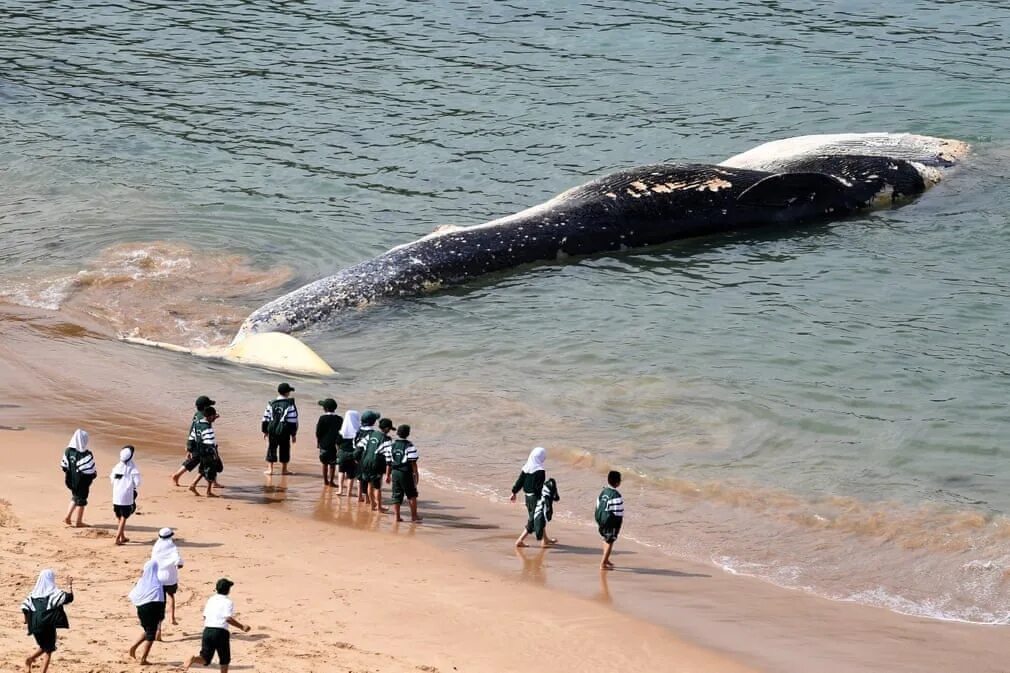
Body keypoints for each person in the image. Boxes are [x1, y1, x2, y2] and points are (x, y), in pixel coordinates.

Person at [184, 578, 252, 673]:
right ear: (228, 590)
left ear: (216, 589)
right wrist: (242, 626)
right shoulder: (228, 602)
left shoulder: (211, 600)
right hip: (220, 632)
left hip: (207, 631)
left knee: (205, 658)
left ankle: (194, 659)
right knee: (224, 659)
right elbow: (228, 618)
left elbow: (205, 616)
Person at [21, 569, 74, 673]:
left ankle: (29, 660)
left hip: (35, 625)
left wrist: (26, 620)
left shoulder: (32, 595)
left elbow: (24, 607)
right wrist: (69, 586)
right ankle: (34, 664)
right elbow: (69, 598)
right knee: (49, 650)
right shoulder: (53, 594)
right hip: (47, 624)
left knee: (44, 646)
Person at [509, 447, 556, 548]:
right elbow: (539, 488)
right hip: (536, 498)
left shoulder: (526, 468)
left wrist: (514, 492)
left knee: (540, 517)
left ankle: (545, 539)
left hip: (528, 498)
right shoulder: (540, 471)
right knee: (534, 521)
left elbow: (519, 482)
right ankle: (519, 540)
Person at [127, 559, 165, 664]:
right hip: (152, 610)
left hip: (141, 610)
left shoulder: (141, 582)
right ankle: (143, 659)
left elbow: (134, 595)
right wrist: (161, 616)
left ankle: (133, 647)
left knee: (148, 631)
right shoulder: (157, 584)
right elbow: (160, 601)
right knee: (151, 635)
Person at [172, 395, 216, 486]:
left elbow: (193, 428)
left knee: (193, 460)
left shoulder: (197, 414)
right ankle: (213, 481)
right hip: (202, 443)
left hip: (195, 440)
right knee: (210, 462)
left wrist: (189, 445)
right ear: (205, 407)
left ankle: (177, 475)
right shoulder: (203, 417)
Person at [385, 424, 421, 522]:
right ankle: (414, 516)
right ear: (408, 434)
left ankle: (397, 517)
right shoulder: (410, 446)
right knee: (412, 494)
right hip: (406, 473)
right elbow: (413, 463)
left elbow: (388, 462)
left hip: (395, 473)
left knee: (396, 495)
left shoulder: (391, 445)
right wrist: (416, 475)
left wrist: (388, 475)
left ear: (397, 433)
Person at [151, 527, 184, 637]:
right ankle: (172, 617)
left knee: (160, 603)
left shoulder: (156, 547)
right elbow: (178, 561)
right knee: (171, 596)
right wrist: (178, 565)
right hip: (170, 577)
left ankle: (158, 629)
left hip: (158, 577)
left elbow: (153, 562)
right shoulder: (172, 547)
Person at [61, 429, 96, 528]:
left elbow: (64, 466)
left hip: (71, 480)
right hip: (82, 482)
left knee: (75, 497)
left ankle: (67, 517)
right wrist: (93, 475)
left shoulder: (68, 451)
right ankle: (79, 522)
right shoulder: (86, 454)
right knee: (82, 501)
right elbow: (90, 470)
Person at [262, 382, 298, 476]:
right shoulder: (290, 404)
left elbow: (266, 417)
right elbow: (293, 420)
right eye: (289, 391)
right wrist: (293, 434)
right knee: (285, 449)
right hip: (284, 431)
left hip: (272, 430)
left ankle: (270, 470)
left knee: (271, 448)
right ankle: (284, 469)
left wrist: (265, 431)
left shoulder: (271, 403)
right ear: (287, 393)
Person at [359, 417, 393, 512]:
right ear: (386, 428)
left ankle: (372, 504)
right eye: (389, 429)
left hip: (365, 462)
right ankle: (379, 507)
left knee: (369, 483)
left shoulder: (371, 434)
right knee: (377, 487)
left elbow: (360, 446)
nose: (389, 431)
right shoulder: (386, 439)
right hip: (376, 464)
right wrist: (388, 474)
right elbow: (388, 458)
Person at [110, 445, 141, 545]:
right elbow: (137, 482)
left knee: (119, 516)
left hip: (116, 495)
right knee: (124, 517)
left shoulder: (116, 467)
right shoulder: (132, 468)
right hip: (127, 496)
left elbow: (112, 480)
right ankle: (117, 538)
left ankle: (122, 536)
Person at [189, 406, 221, 497]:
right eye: (214, 417)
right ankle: (208, 491)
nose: (215, 418)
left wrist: (190, 449)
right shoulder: (208, 428)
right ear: (210, 417)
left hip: (199, 449)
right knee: (211, 470)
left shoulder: (198, 423)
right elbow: (210, 443)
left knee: (203, 469)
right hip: (207, 452)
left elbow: (191, 437)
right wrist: (215, 455)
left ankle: (193, 485)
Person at [596, 470, 625, 570]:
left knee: (605, 539)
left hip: (601, 520)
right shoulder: (616, 496)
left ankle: (606, 559)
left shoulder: (603, 491)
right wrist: (618, 525)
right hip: (610, 522)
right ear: (617, 483)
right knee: (610, 541)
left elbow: (598, 505)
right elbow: (619, 513)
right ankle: (603, 563)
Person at [353, 410, 380, 503]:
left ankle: (359, 496)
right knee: (368, 480)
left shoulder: (358, 431)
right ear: (373, 422)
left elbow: (354, 444)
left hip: (358, 458)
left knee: (359, 478)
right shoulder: (373, 433)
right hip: (367, 459)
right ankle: (368, 498)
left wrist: (356, 457)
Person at [315, 398, 342, 487]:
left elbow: (318, 432)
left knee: (324, 463)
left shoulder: (322, 418)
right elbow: (341, 432)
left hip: (324, 444)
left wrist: (318, 442)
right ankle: (331, 482)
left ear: (325, 409)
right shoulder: (339, 419)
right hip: (334, 445)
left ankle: (325, 481)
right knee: (333, 464)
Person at [336, 410, 360, 497]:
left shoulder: (342, 432)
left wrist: (338, 452)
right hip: (353, 454)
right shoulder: (358, 432)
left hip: (342, 453)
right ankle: (349, 492)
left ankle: (340, 490)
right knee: (350, 475)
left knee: (341, 471)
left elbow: (337, 443)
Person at [532, 477, 560, 546]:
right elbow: (555, 499)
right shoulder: (547, 495)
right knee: (530, 526)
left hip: (534, 504)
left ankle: (545, 540)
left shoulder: (543, 490)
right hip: (538, 508)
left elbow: (556, 498)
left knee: (542, 522)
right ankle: (520, 540)